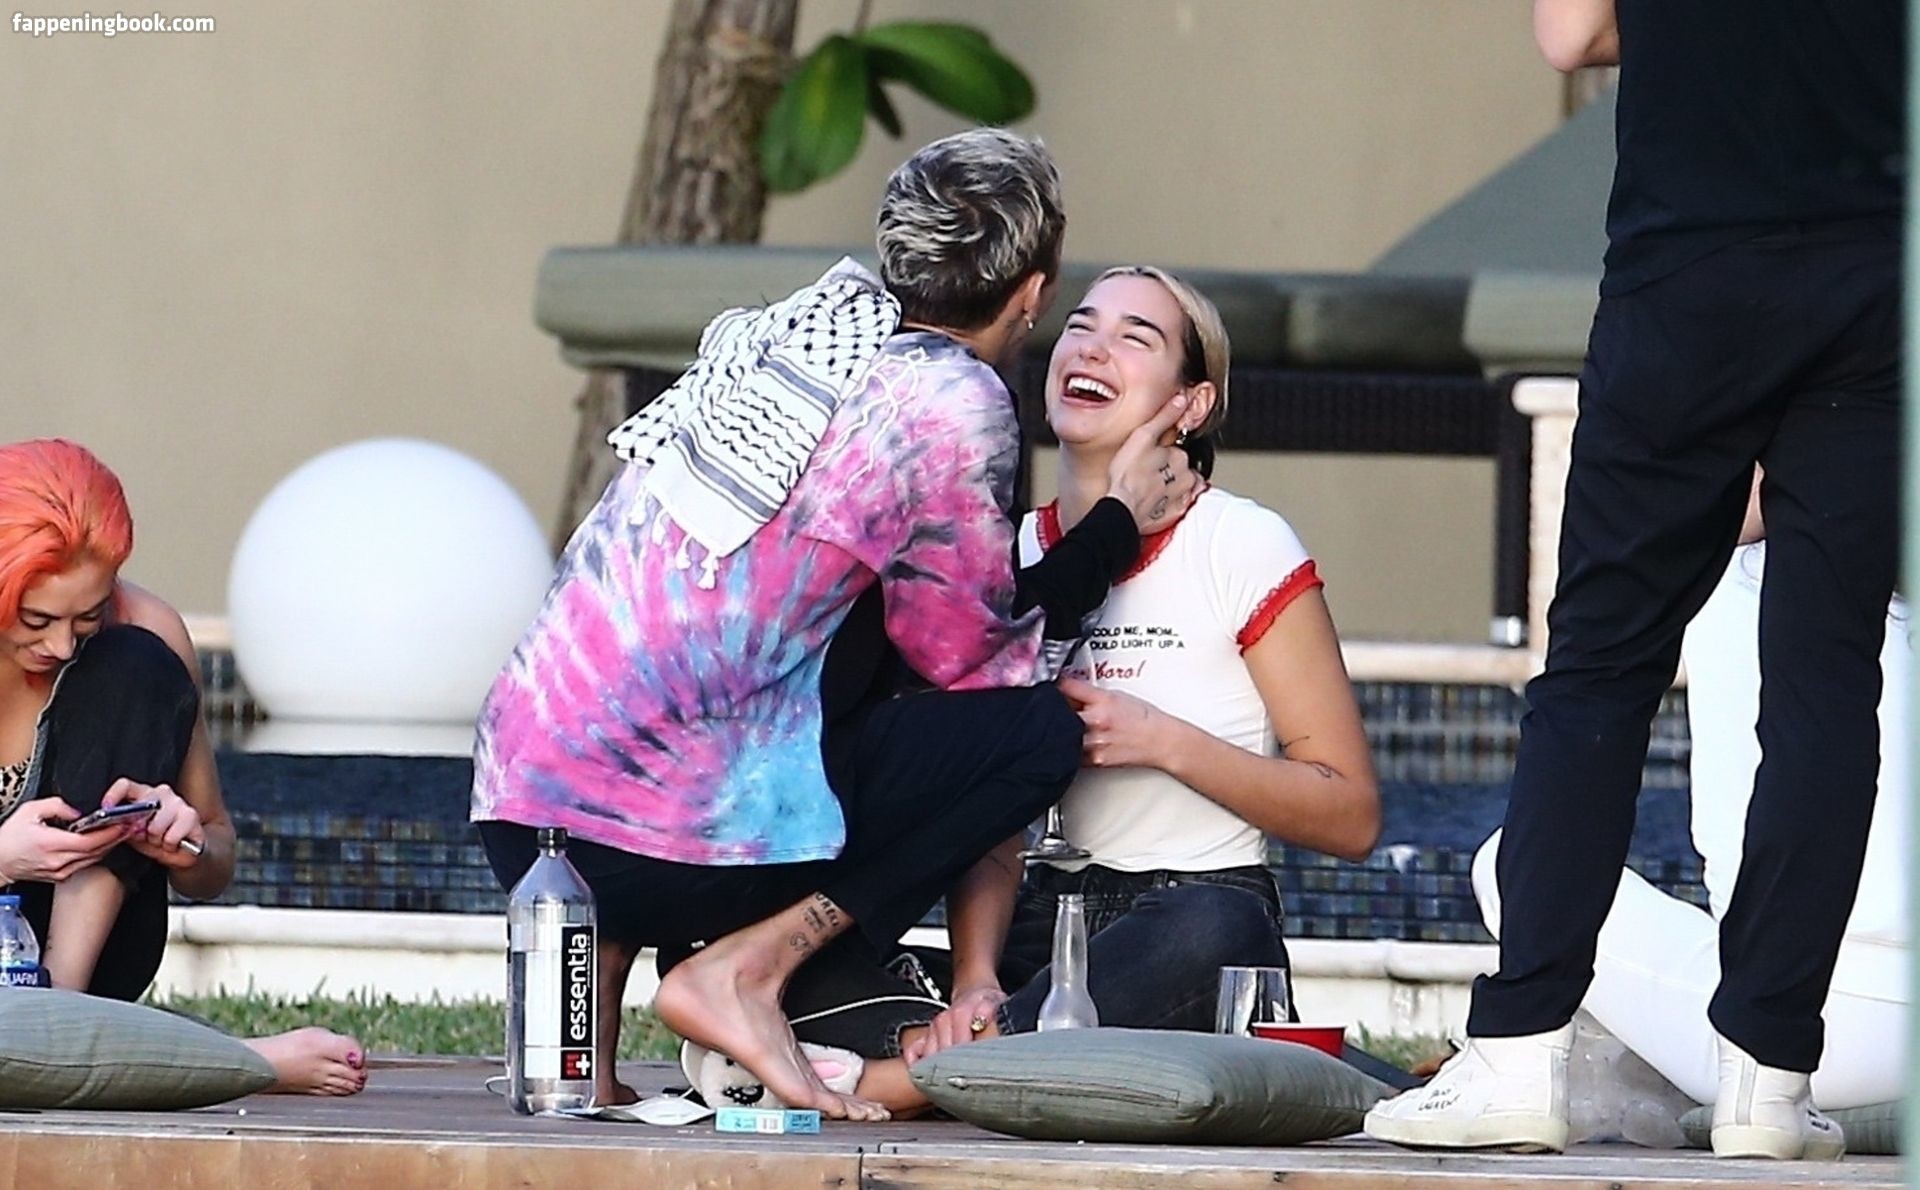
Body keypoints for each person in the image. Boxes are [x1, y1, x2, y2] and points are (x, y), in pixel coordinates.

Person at [471, 129, 1200, 1120]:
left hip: (524, 816)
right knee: (1033, 732)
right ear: (1032, 292)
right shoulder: (948, 393)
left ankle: (584, 1063)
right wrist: (1116, 525)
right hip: (660, 843)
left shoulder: (795, 340)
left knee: (722, 686)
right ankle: (750, 971)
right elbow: (971, 656)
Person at [1367, 0, 1902, 1161]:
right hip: (1878, 271)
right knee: (1824, 678)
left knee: (1601, 667)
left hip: (1693, 262)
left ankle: (1519, 1052)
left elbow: (1569, 36)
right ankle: (1769, 1080)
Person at [767, 268, 1381, 1117]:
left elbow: (1350, 816)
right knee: (790, 949)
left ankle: (907, 1078)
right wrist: (975, 980)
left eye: (1135, 337)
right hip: (1037, 933)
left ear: (1192, 403)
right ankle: (993, 1047)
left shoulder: (1240, 541)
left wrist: (1162, 741)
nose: (1091, 348)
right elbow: (985, 815)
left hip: (1185, 919)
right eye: (1081, 325)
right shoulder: (1003, 550)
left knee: (1217, 935)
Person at [1474, 489, 1908, 1113]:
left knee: (1506, 865)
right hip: (1826, 1016)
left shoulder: (1728, 563)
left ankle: (1575, 1071)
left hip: (1810, 1039)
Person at [0, 437, 365, 1096]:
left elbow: (214, 862)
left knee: (133, 661)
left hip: (78, 964)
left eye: (86, 617)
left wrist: (181, 843)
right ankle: (228, 1059)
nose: (61, 644)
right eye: (35, 619)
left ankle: (60, 1024)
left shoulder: (143, 627)